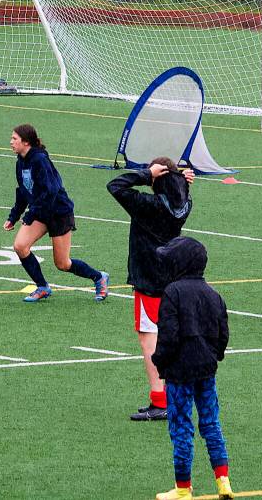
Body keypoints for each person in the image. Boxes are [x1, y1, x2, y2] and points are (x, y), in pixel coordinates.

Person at [108, 158, 194, 422]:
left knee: (149, 339)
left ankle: (161, 399)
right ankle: (176, 396)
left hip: (149, 278)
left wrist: (145, 174)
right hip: (172, 276)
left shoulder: (148, 205)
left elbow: (116, 186)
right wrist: (177, 178)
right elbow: (176, 192)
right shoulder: (184, 204)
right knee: (170, 337)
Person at [151, 237, 233, 500]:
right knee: (211, 424)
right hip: (206, 369)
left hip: (179, 372)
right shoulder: (213, 294)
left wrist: (159, 361)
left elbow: (168, 336)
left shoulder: (172, 292)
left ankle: (183, 488)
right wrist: (213, 357)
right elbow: (223, 335)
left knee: (181, 427)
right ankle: (223, 481)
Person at [4, 124, 109, 302]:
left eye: (14, 138)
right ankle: (42, 287)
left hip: (58, 212)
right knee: (20, 246)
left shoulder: (40, 161)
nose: (11, 142)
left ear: (26, 142)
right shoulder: (20, 162)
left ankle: (99, 277)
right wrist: (14, 216)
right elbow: (23, 191)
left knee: (62, 263)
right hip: (41, 212)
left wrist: (30, 214)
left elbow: (50, 192)